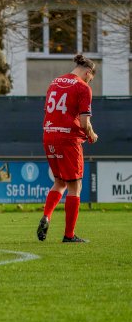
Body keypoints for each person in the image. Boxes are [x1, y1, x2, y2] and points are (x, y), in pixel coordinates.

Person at [37, 54, 98, 243]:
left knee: (59, 182)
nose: (89, 81)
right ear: (88, 72)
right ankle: (69, 235)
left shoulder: (54, 82)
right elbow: (83, 121)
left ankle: (47, 215)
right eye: (90, 78)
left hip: (49, 136)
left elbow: (49, 111)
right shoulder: (82, 87)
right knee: (75, 186)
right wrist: (91, 134)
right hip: (68, 139)